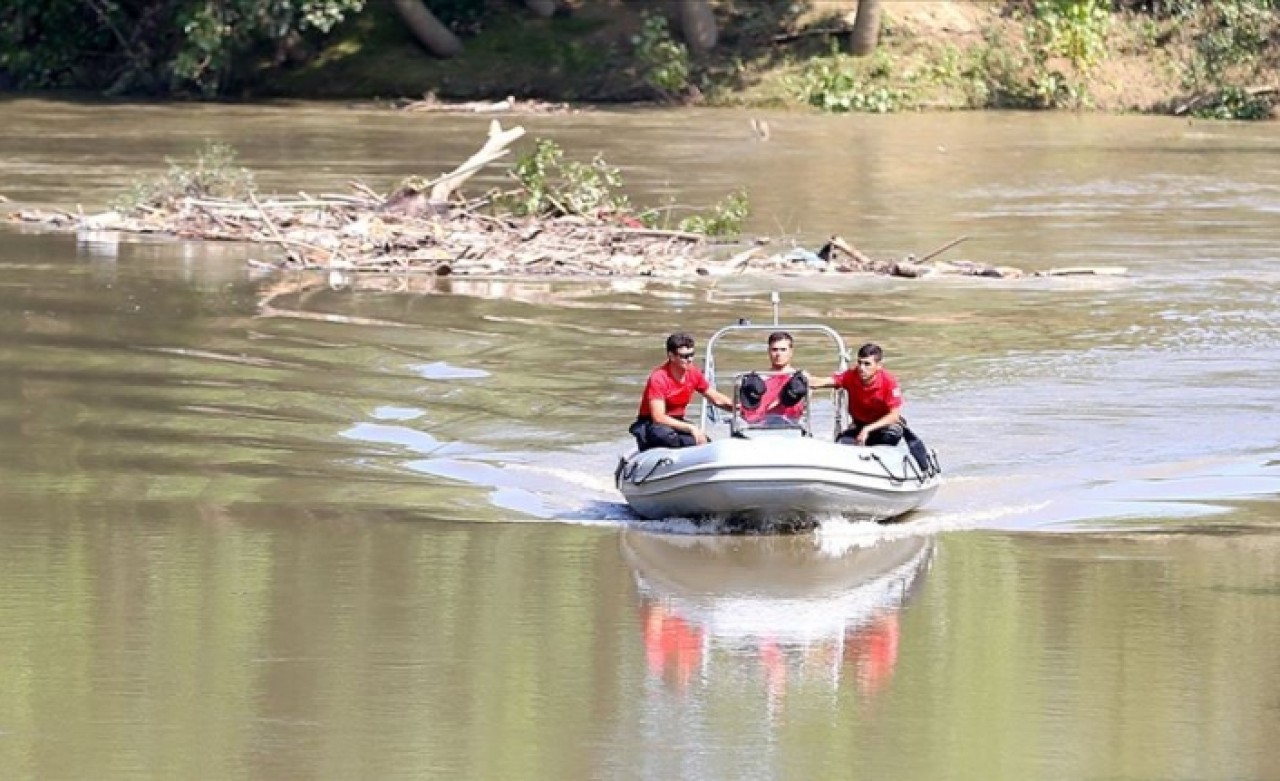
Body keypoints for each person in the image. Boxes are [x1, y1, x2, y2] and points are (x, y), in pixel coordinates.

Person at [807, 343, 931, 468]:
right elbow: (826, 381)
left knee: (893, 432)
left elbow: (894, 416)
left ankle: (884, 462)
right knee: (842, 444)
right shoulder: (851, 375)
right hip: (860, 425)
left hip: (884, 426)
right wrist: (807, 380)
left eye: (867, 364)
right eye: (860, 362)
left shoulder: (889, 382)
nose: (861, 368)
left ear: (878, 366)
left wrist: (868, 429)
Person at [629, 332, 734, 451]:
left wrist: (738, 408)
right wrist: (691, 428)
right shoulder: (658, 378)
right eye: (684, 356)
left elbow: (717, 399)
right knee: (665, 435)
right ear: (671, 356)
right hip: (652, 423)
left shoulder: (693, 373)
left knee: (704, 442)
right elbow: (658, 417)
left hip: (676, 421)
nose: (690, 360)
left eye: (692, 355)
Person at [739, 331, 809, 426]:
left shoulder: (802, 379)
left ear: (791, 352)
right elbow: (742, 408)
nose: (778, 354)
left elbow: (820, 382)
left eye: (783, 349)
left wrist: (836, 380)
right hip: (762, 426)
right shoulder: (758, 380)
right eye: (775, 349)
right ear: (769, 351)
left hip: (792, 426)